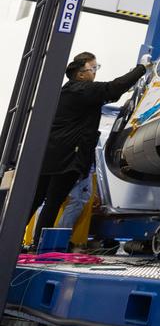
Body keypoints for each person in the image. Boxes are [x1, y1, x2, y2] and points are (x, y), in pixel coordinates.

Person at [26, 52, 148, 244]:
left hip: (50, 154)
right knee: (53, 202)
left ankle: (15, 240)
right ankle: (41, 245)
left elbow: (108, 95)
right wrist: (142, 69)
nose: (95, 73)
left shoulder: (67, 91)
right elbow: (112, 89)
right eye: (93, 68)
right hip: (66, 157)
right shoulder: (82, 90)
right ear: (81, 74)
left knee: (37, 199)